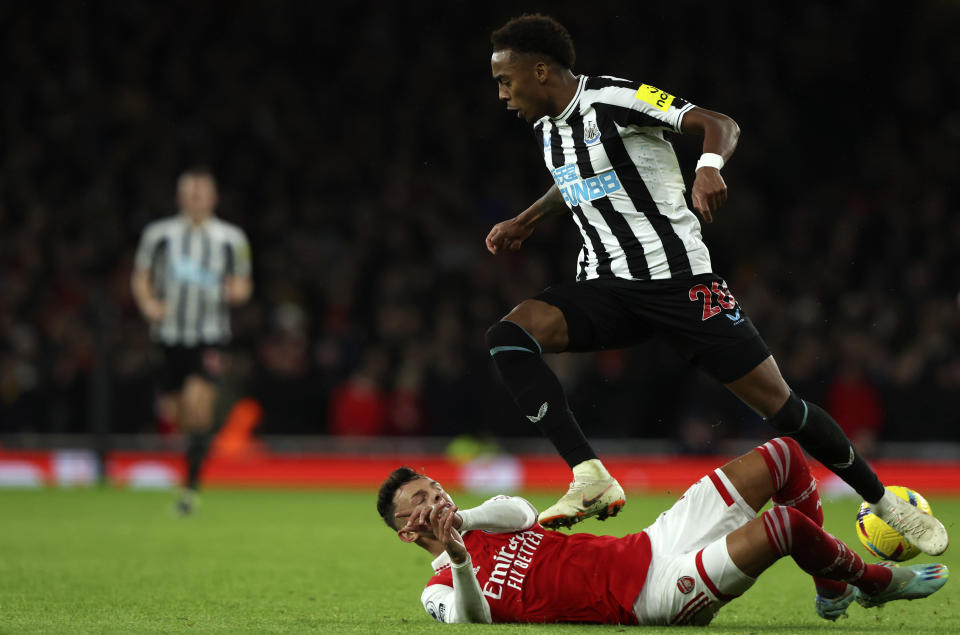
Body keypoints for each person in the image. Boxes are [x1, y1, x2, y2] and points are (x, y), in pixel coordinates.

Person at [481, 14, 949, 556]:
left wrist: (708, 166)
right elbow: (580, 179)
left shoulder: (614, 98)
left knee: (782, 407)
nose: (501, 94)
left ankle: (883, 500)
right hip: (607, 286)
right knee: (509, 336)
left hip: (679, 282)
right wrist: (528, 219)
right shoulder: (548, 128)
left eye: (505, 80)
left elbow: (719, 123)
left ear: (540, 71)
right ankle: (589, 474)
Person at [376, 436, 949, 625]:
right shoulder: (439, 587)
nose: (437, 500)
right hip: (650, 597)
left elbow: (522, 511)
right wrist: (457, 557)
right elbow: (472, 622)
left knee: (784, 455)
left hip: (653, 542)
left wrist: (465, 522)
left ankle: (830, 586)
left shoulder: (488, 519)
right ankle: (875, 582)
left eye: (433, 488)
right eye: (421, 503)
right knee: (783, 526)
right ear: (407, 533)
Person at [131, 167, 252, 514]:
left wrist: (236, 292)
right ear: (180, 196)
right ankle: (192, 463)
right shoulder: (159, 235)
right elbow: (141, 276)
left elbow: (244, 284)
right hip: (169, 337)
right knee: (177, 413)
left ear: (213, 197)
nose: (196, 197)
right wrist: (149, 302)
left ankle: (190, 490)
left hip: (208, 336)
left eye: (202, 191)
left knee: (200, 408)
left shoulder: (231, 238)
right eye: (190, 191)